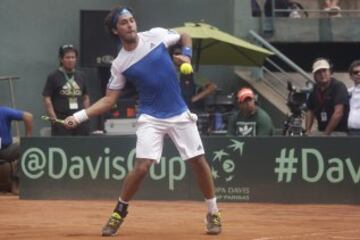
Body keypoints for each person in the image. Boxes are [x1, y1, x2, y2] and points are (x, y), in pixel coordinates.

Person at [63, 6, 222, 236]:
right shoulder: (120, 64)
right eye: (124, 23)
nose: (130, 25)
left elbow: (185, 34)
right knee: (142, 167)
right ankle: (119, 212)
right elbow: (109, 100)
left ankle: (213, 212)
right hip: (150, 117)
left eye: (131, 20)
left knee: (198, 161)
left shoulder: (156, 35)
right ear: (115, 30)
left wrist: (186, 54)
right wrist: (78, 116)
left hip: (179, 112)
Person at [42, 44, 90, 136]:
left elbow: (86, 97)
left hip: (79, 119)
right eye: (67, 57)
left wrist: (86, 114)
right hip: (61, 120)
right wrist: (53, 118)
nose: (71, 60)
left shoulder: (81, 76)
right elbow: (46, 98)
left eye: (73, 57)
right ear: (61, 59)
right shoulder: (53, 76)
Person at [305, 58, 349, 136]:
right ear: (314, 76)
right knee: (308, 138)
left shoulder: (339, 86)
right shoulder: (315, 89)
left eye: (324, 70)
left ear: (330, 72)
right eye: (318, 72)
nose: (322, 74)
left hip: (338, 132)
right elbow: (310, 111)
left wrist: (326, 134)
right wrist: (307, 130)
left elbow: (338, 113)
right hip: (321, 130)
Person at [0, 106, 33, 194]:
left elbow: (28, 116)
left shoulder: (3, 111)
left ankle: (16, 184)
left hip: (5, 149)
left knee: (26, 148)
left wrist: (28, 139)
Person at [347, 60, 360, 135]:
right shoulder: (347, 92)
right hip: (350, 132)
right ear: (351, 76)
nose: (359, 74)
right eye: (355, 72)